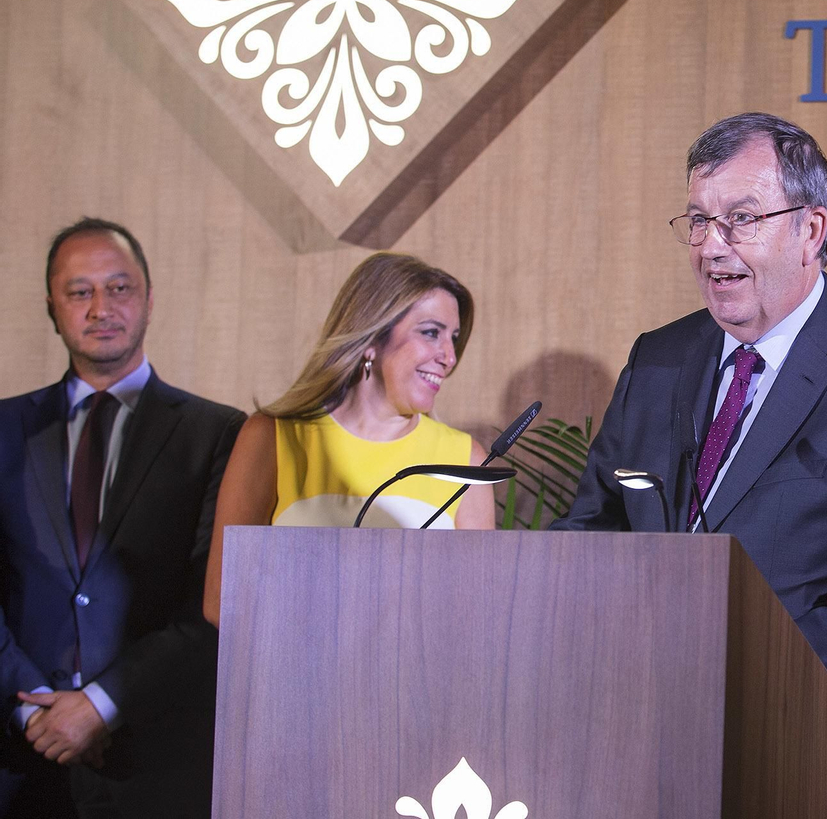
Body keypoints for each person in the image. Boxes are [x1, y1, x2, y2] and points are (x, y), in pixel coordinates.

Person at [552, 112, 827, 819]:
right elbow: (596, 523)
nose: (712, 247)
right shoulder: (660, 358)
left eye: (741, 219)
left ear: (811, 229)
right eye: (699, 221)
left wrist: (736, 682)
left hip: (799, 747)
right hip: (638, 742)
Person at [0, 218, 245, 818]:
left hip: (157, 759)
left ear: (150, 299)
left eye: (120, 287)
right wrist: (33, 711)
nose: (100, 307)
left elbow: (215, 603)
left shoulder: (220, 434)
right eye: (79, 292)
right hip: (16, 756)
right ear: (52, 309)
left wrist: (102, 704)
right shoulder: (3, 430)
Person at [203, 252, 496, 626]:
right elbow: (220, 600)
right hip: (290, 677)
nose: (449, 357)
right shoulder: (272, 437)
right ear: (372, 338)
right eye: (431, 333)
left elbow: (476, 615)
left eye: (453, 339)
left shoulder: (466, 461)